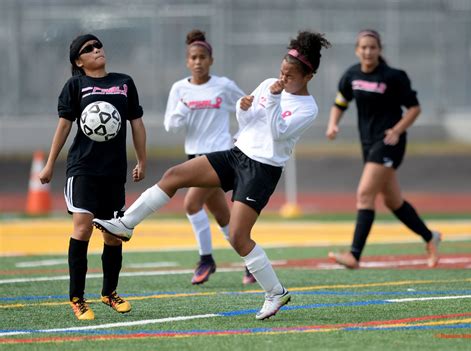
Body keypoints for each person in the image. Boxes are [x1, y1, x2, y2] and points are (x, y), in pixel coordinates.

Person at [94, 30, 331, 320]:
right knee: (174, 175)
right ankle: (126, 223)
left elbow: (277, 132)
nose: (282, 78)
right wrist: (244, 108)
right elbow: (249, 122)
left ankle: (275, 293)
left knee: (238, 236)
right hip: (236, 153)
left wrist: (272, 99)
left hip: (262, 169)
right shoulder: (270, 84)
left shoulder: (308, 108)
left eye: (290, 75)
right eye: (281, 71)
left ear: (308, 76)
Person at [39, 34, 147, 320]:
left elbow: (136, 123)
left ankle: (109, 293)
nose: (97, 50)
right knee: (83, 226)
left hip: (113, 172)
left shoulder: (124, 82)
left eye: (98, 45)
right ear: (79, 60)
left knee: (113, 234)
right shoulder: (75, 85)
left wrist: (142, 159)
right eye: (89, 49)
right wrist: (50, 164)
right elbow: (63, 127)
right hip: (82, 168)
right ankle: (77, 298)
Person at [326, 29, 441, 269]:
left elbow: (414, 108)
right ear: (357, 50)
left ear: (379, 50)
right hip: (368, 144)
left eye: (373, 47)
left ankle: (354, 255)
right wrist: (333, 124)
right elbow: (340, 102)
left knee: (365, 194)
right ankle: (430, 237)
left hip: (390, 143)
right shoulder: (352, 75)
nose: (368, 51)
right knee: (393, 201)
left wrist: (397, 130)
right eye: (364, 47)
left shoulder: (393, 76)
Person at [164, 29, 255, 285]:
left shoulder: (223, 86)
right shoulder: (179, 89)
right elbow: (170, 124)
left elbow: (248, 107)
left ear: (211, 60)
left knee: (191, 204)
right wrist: (183, 108)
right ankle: (252, 263)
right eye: (193, 57)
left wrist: (240, 137)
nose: (198, 62)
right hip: (195, 156)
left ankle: (206, 259)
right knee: (223, 216)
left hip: (220, 156)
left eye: (202, 57)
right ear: (187, 61)